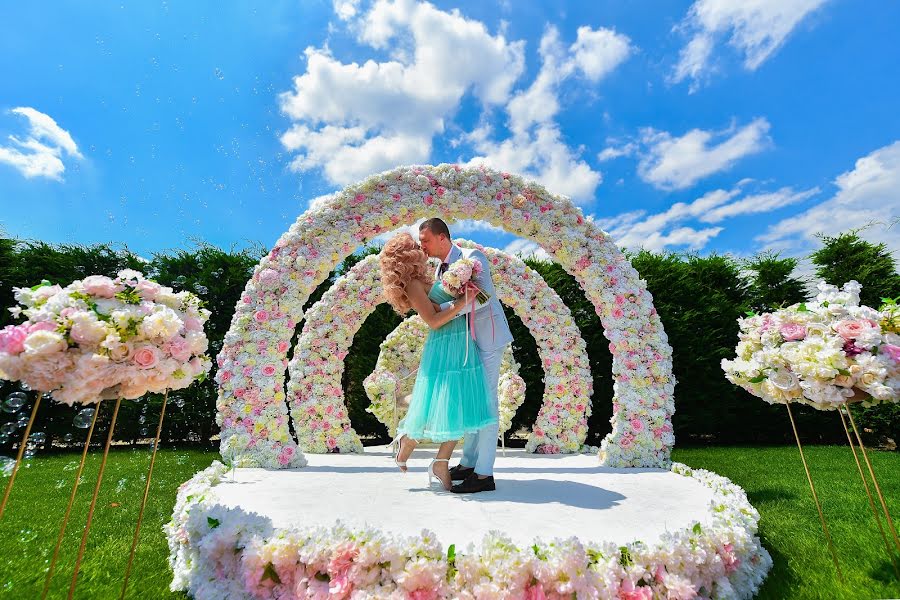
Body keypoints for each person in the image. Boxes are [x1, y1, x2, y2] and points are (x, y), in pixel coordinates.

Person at [380, 231, 497, 491]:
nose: (422, 247)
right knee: (451, 402)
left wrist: (461, 291)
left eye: (422, 242)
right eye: (416, 244)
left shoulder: (428, 275)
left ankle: (437, 459)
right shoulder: (411, 285)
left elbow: (443, 306)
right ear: (406, 256)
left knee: (461, 403)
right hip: (444, 345)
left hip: (459, 340)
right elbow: (432, 321)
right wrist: (463, 301)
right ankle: (412, 444)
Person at [418, 218, 513, 494]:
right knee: (472, 398)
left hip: (488, 337)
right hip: (467, 342)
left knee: (486, 400)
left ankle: (484, 474)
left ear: (442, 238)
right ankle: (469, 463)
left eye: (425, 239)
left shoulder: (473, 258)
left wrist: (445, 310)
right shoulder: (439, 269)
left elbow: (483, 297)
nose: (421, 245)